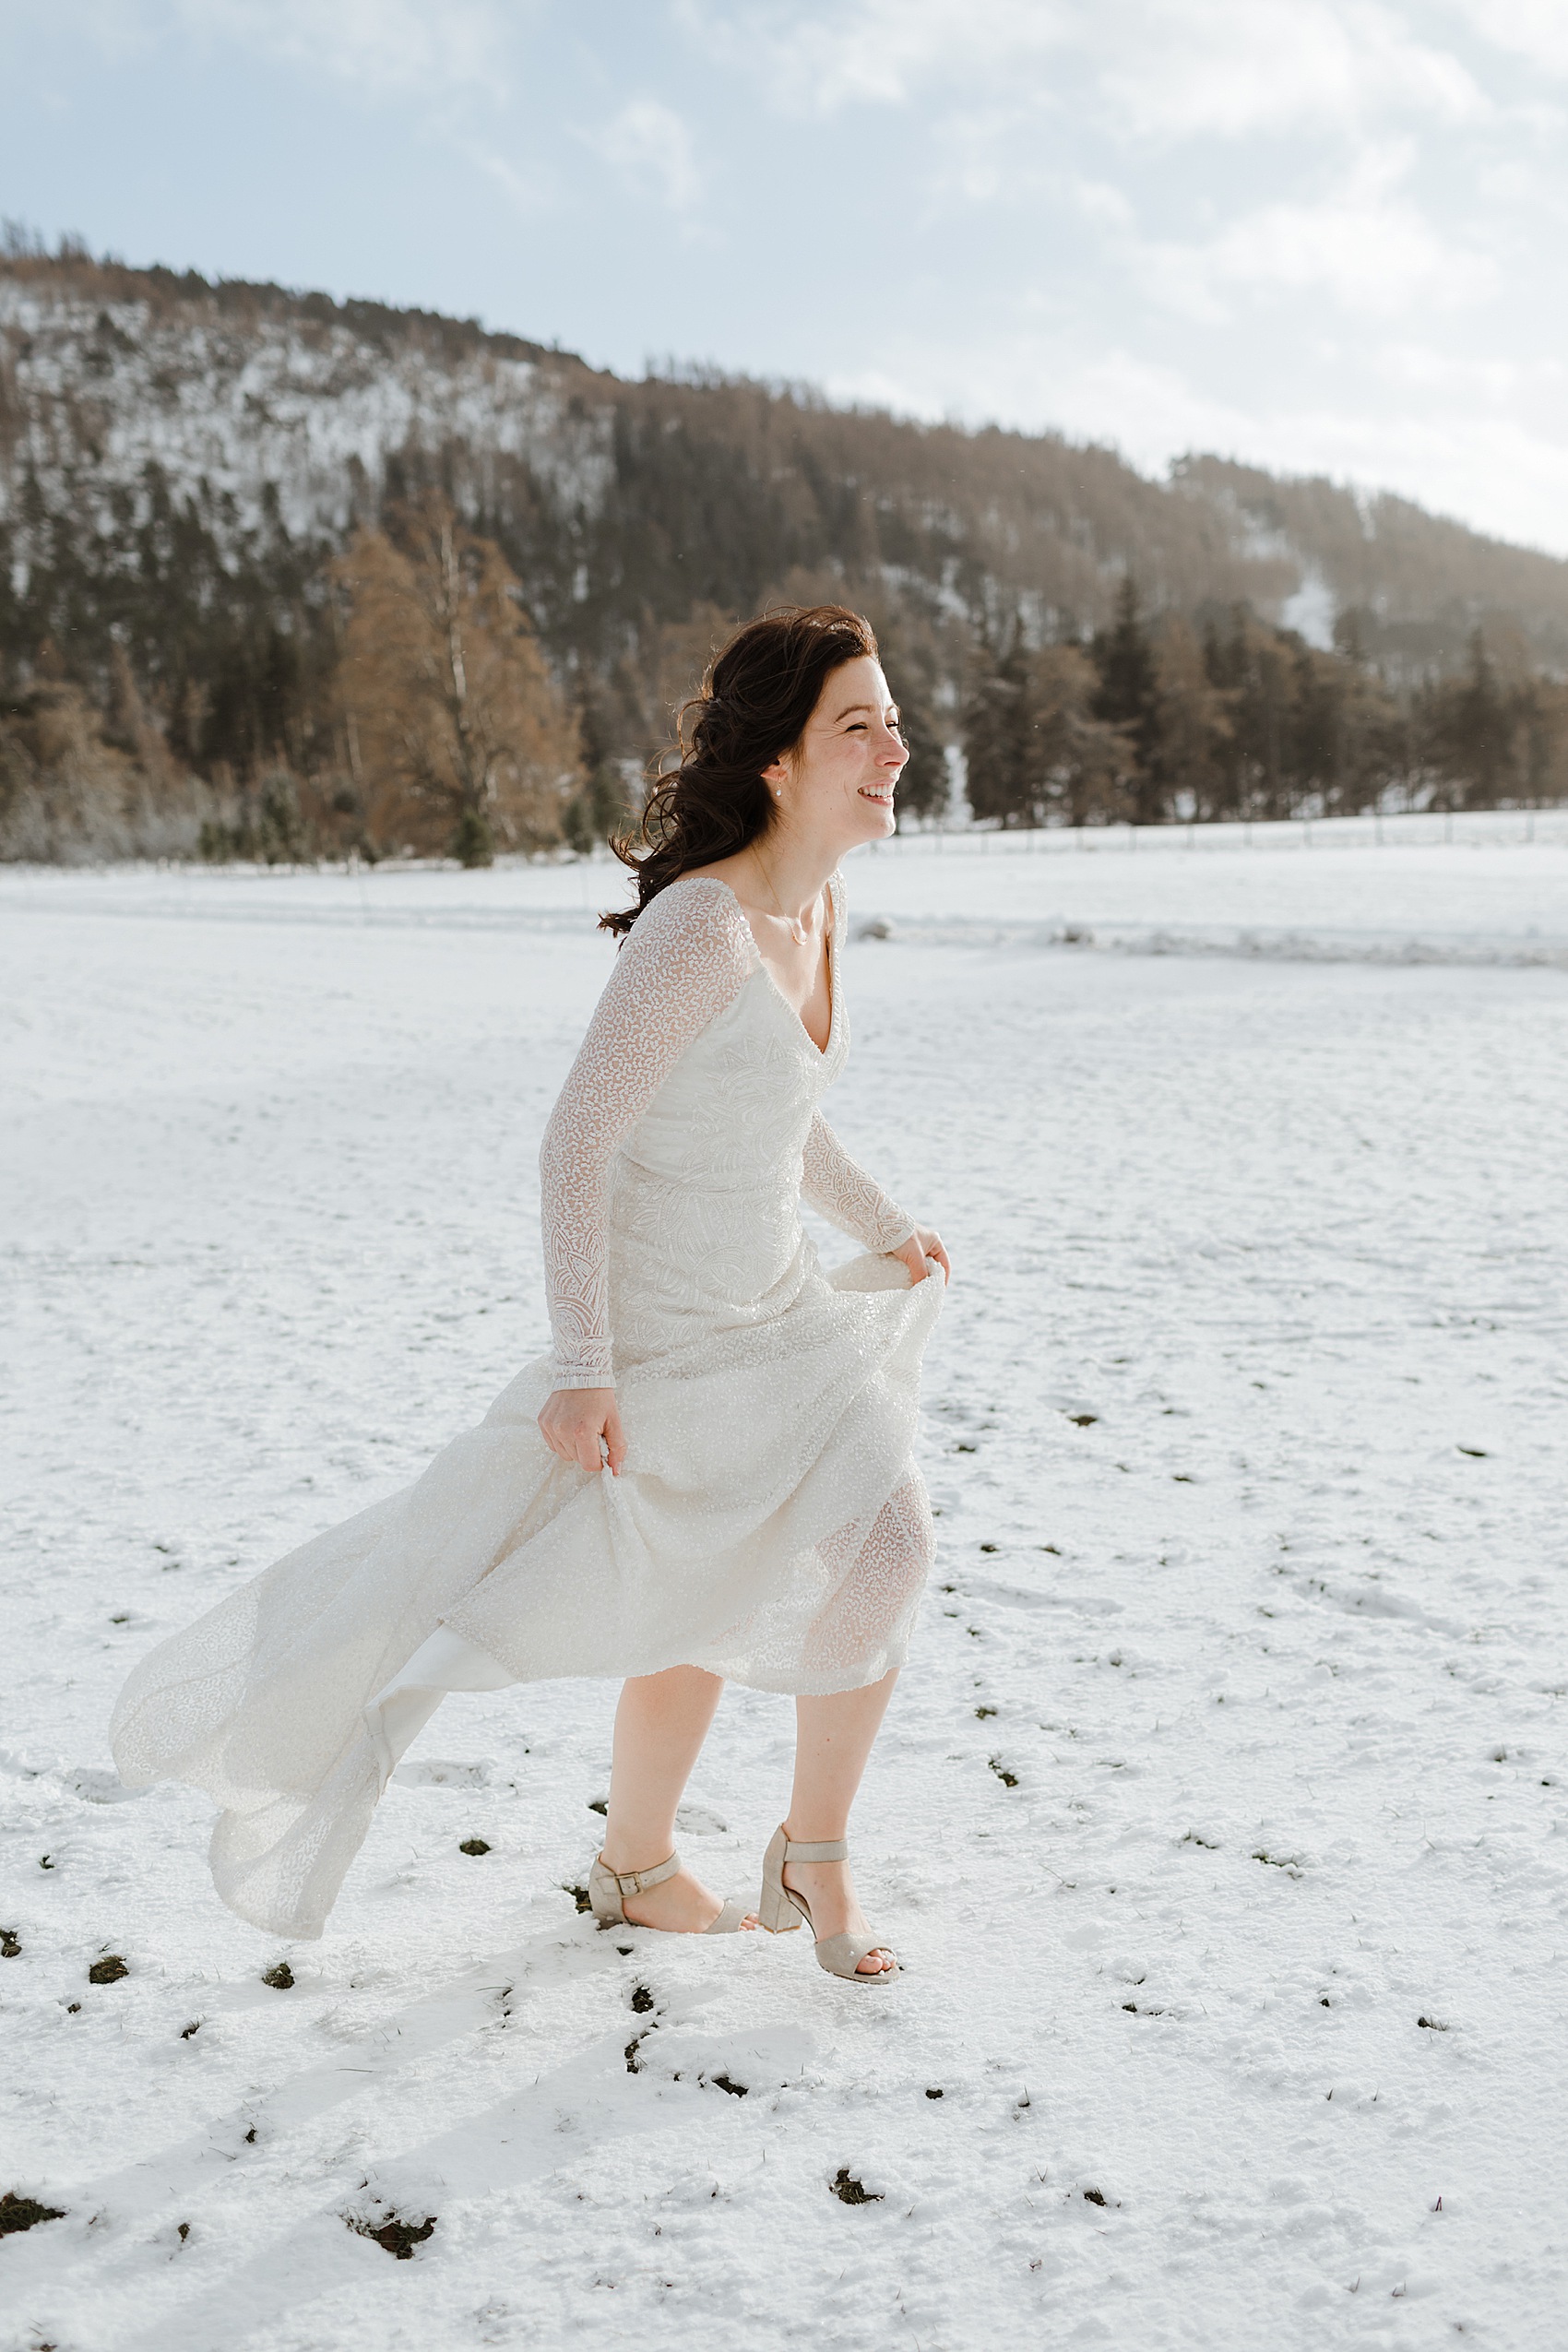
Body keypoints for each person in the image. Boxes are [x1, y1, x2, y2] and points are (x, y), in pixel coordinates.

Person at [111, 604, 949, 1982]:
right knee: (701, 1586)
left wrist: (889, 1221)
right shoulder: (699, 927)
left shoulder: (823, 910)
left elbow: (777, 1114)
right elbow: (577, 1144)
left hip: (782, 1316)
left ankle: (808, 1851)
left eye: (895, 718)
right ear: (782, 763)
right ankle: (640, 1865)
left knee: (884, 1547)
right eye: (859, 724)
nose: (895, 747)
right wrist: (585, 1370)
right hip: (672, 1344)